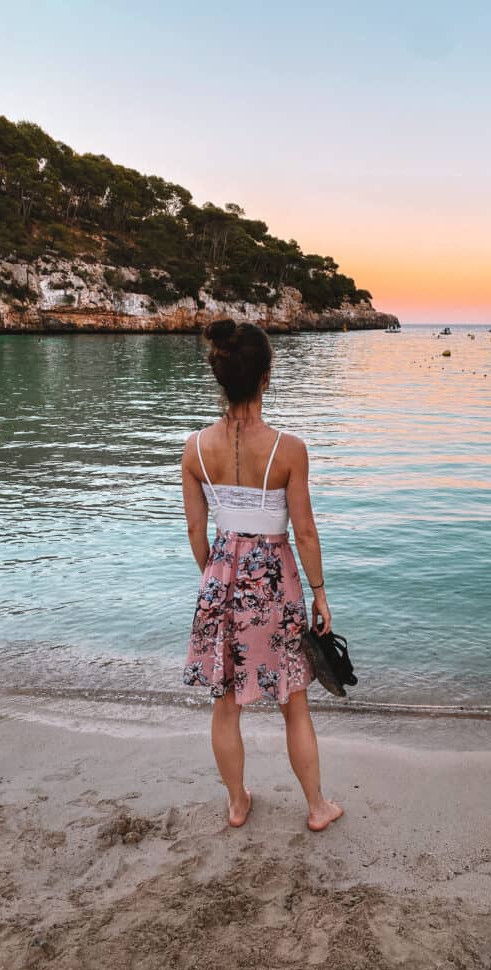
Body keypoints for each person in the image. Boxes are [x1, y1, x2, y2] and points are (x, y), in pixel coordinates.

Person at [180, 318, 344, 833]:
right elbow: (306, 532)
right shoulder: (288, 449)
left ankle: (236, 803)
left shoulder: (194, 449)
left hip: (220, 578)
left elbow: (194, 530)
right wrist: (319, 595)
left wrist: (216, 575)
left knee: (225, 702)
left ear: (221, 379)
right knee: (294, 699)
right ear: (266, 378)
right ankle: (317, 807)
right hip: (274, 580)